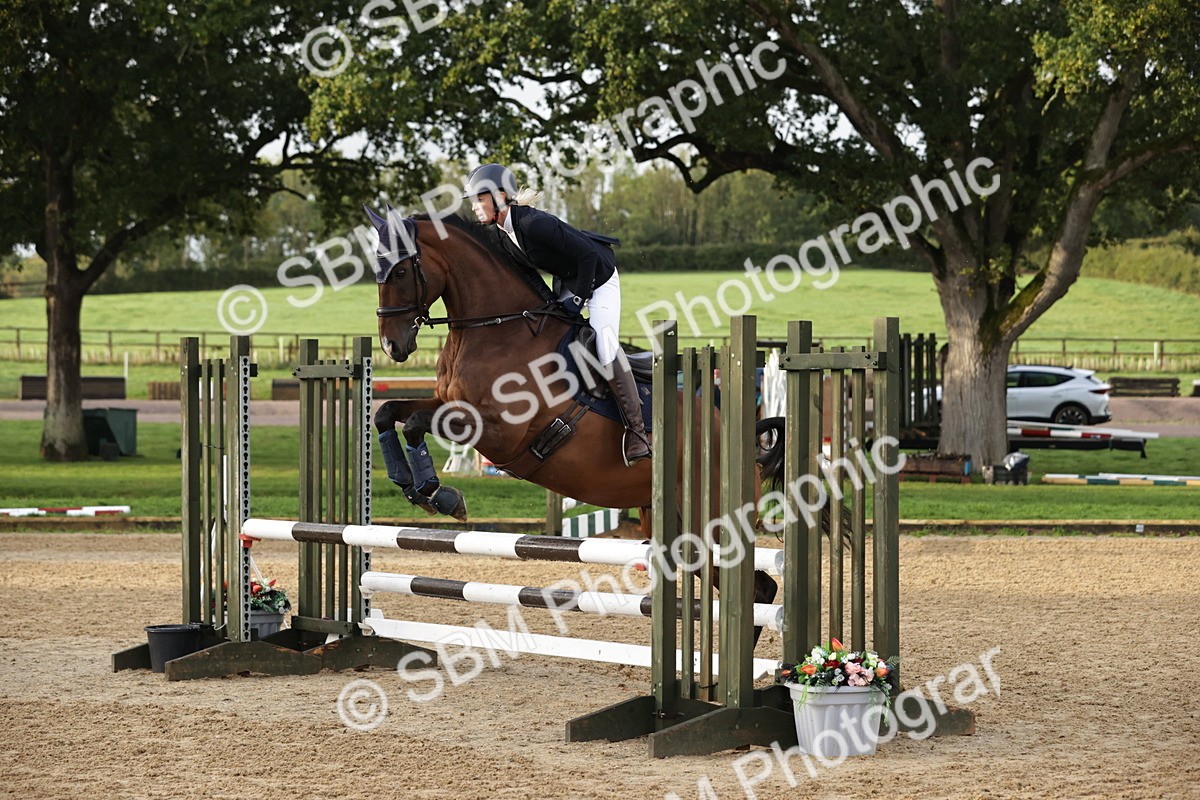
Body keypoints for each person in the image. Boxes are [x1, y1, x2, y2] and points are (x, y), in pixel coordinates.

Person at [464, 163, 650, 466]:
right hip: (568, 279)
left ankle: (638, 431)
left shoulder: (534, 223)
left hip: (600, 278)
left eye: (478, 199)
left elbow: (588, 256)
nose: (474, 207)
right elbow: (531, 277)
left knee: (605, 346)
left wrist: (576, 301)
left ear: (499, 197)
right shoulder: (501, 234)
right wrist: (549, 304)